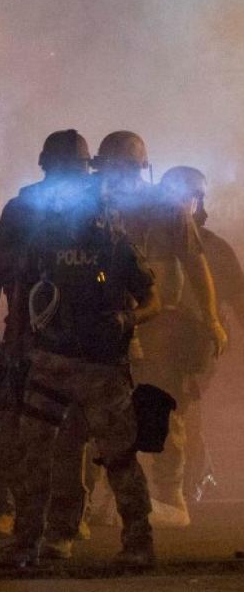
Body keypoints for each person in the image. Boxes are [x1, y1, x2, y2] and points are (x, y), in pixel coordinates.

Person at [5, 170, 160, 568]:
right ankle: (28, 542)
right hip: (53, 360)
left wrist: (128, 321)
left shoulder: (117, 247)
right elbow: (23, 293)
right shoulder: (46, 244)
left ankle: (138, 543)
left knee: (119, 457)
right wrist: (19, 342)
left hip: (100, 366)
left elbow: (152, 300)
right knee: (34, 454)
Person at [0, 130, 96, 553]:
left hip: (76, 338)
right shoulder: (22, 210)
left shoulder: (98, 213)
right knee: (10, 426)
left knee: (71, 433)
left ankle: (64, 519)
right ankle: (11, 508)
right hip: (24, 334)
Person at [94, 132, 226, 528]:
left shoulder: (167, 209)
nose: (117, 176)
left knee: (163, 408)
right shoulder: (93, 207)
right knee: (104, 411)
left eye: (123, 168)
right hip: (108, 325)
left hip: (160, 326)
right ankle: (107, 496)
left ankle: (169, 497)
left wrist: (211, 319)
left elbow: (195, 263)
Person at [159, 166, 244, 502]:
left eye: (185, 197)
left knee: (180, 406)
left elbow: (239, 301)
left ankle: (188, 482)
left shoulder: (215, 249)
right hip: (156, 341)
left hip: (196, 347)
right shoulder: (149, 241)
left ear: (198, 201)